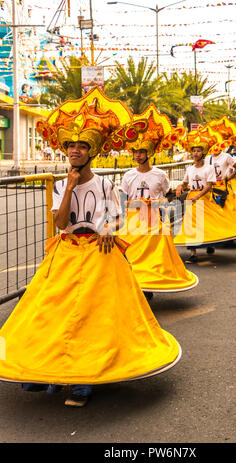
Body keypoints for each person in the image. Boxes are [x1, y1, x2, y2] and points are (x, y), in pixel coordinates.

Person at [0, 87, 181, 407]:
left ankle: (84, 382)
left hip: (101, 255)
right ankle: (54, 372)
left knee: (93, 318)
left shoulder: (106, 184)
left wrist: (110, 228)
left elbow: (116, 216)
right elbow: (59, 223)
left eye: (81, 146)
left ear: (91, 151)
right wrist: (69, 185)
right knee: (52, 314)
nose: (75, 150)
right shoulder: (58, 185)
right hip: (67, 252)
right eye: (71, 145)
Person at [119, 105, 198, 294]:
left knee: (156, 251)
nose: (138, 155)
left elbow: (165, 197)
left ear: (149, 153)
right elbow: (124, 199)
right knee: (128, 251)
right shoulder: (128, 175)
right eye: (135, 152)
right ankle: (134, 282)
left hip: (154, 219)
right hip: (133, 221)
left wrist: (158, 203)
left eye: (141, 152)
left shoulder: (160, 175)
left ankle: (151, 282)